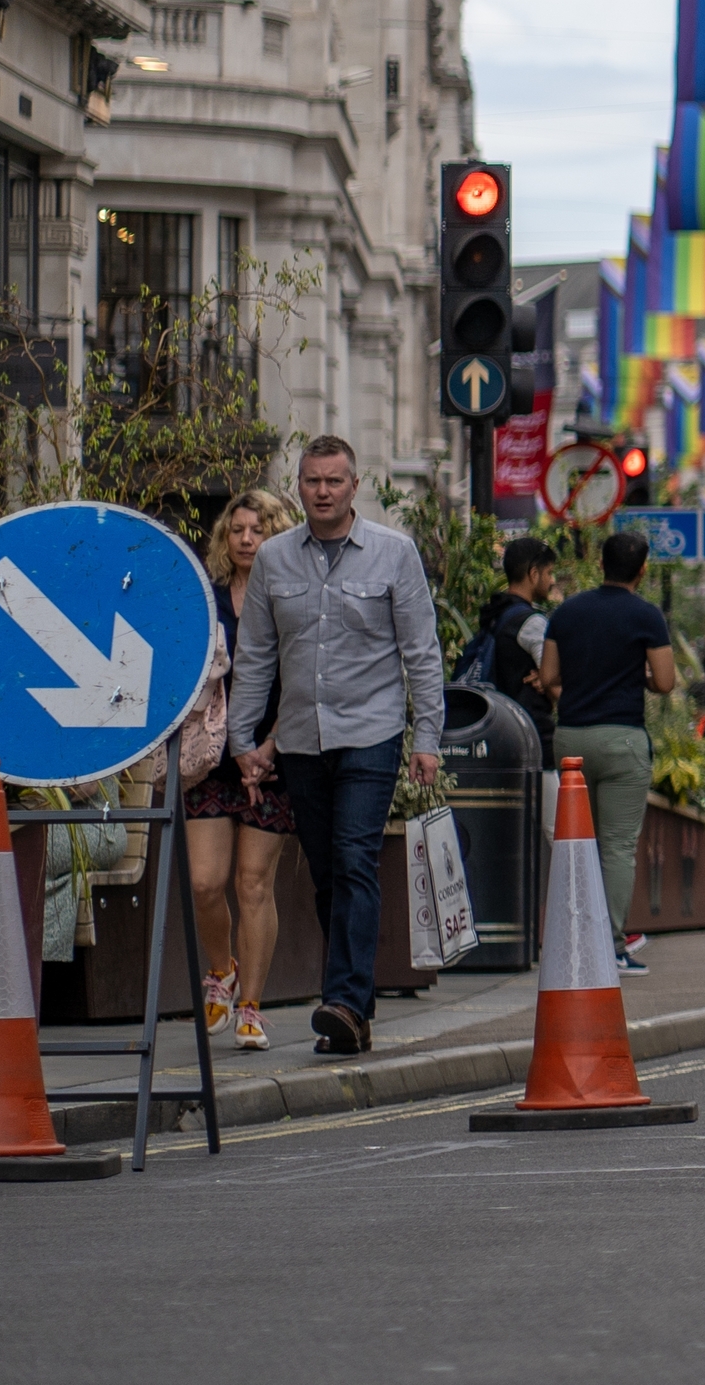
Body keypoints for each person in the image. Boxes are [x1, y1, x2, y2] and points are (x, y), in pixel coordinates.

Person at [227, 436, 441, 1057]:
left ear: (354, 486)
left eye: (334, 481)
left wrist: (426, 735)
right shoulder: (272, 560)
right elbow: (257, 656)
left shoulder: (394, 554)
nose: (323, 491)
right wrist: (244, 740)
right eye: (313, 481)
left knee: (354, 862)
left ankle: (344, 999)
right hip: (299, 739)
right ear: (299, 486)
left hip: (371, 733)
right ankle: (352, 1013)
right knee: (325, 874)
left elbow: (422, 654)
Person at [185, 488, 299, 1052]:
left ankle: (251, 1004)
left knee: (254, 884)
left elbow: (305, 681)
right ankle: (221, 970)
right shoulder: (205, 600)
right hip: (211, 760)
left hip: (271, 757)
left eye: (258, 529)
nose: (246, 538)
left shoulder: (291, 597)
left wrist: (267, 748)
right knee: (206, 883)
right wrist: (234, 751)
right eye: (237, 529)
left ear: (277, 534)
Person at [538, 530, 678, 973]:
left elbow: (547, 676)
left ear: (600, 564)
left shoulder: (566, 612)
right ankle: (611, 946)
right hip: (622, 738)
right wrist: (637, 677)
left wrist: (577, 693)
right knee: (617, 846)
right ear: (642, 569)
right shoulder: (647, 616)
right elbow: (666, 681)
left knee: (579, 844)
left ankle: (574, 939)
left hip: (571, 738)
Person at [463, 536, 560, 760]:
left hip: (498, 731)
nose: (552, 580)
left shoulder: (496, 613)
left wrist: (543, 675)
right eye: (548, 573)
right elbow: (557, 678)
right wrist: (548, 678)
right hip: (531, 735)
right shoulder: (532, 623)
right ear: (533, 574)